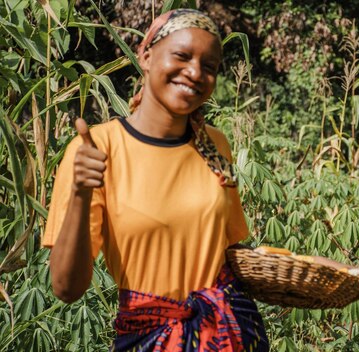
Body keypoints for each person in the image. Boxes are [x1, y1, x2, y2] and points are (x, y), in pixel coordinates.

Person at [43, 9, 269, 351]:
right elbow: (66, 289)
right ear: (146, 57)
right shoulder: (96, 149)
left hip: (227, 335)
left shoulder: (215, 144)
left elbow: (228, 253)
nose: (195, 73)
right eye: (182, 56)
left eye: (210, 67)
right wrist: (80, 193)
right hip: (148, 337)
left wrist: (306, 271)